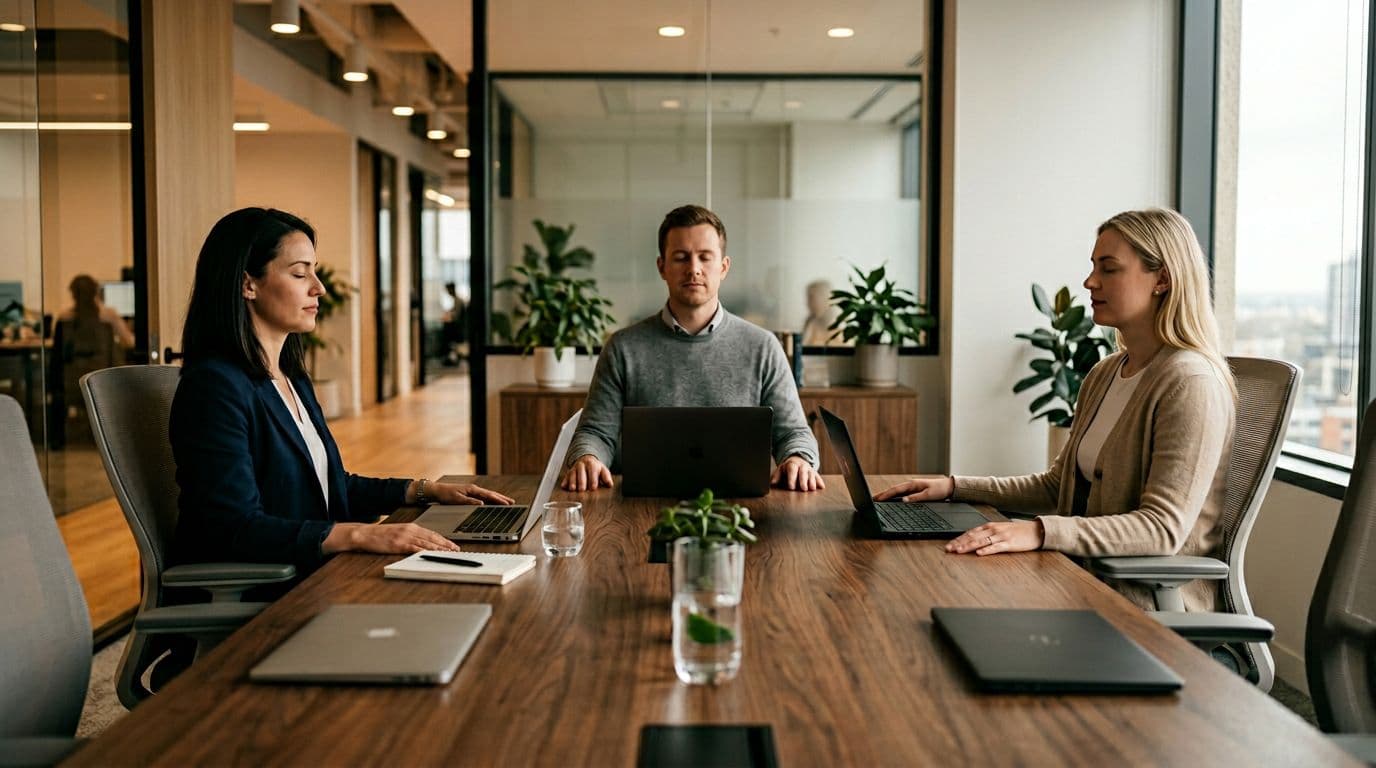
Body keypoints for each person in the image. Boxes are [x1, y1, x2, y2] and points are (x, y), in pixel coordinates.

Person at [876, 208, 1236, 612]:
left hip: (1144, 608)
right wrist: (953, 486)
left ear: (1163, 279)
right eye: (1092, 267)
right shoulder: (1106, 373)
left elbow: (1162, 529)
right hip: (1081, 579)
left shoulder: (1190, 383)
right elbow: (1056, 486)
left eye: (1109, 268)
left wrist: (1039, 532)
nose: (1090, 281)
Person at [171, 207, 513, 575]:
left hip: (317, 569)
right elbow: (232, 526)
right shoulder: (214, 388)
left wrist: (425, 491)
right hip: (272, 588)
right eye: (300, 273)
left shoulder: (290, 378)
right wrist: (359, 536)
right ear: (247, 284)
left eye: (314, 272)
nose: (318, 287)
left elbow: (328, 486)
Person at [561, 204, 824, 492]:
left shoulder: (763, 347)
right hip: (640, 507)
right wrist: (588, 457)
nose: (694, 269)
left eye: (705, 257)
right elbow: (596, 432)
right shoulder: (623, 347)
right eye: (681, 257)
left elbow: (794, 433)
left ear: (723, 267)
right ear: (662, 267)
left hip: (742, 510)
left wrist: (798, 458)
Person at [59, 274, 134, 349]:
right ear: (95, 293)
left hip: (75, 361)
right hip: (103, 361)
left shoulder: (64, 317)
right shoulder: (109, 315)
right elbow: (129, 342)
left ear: (73, 295)